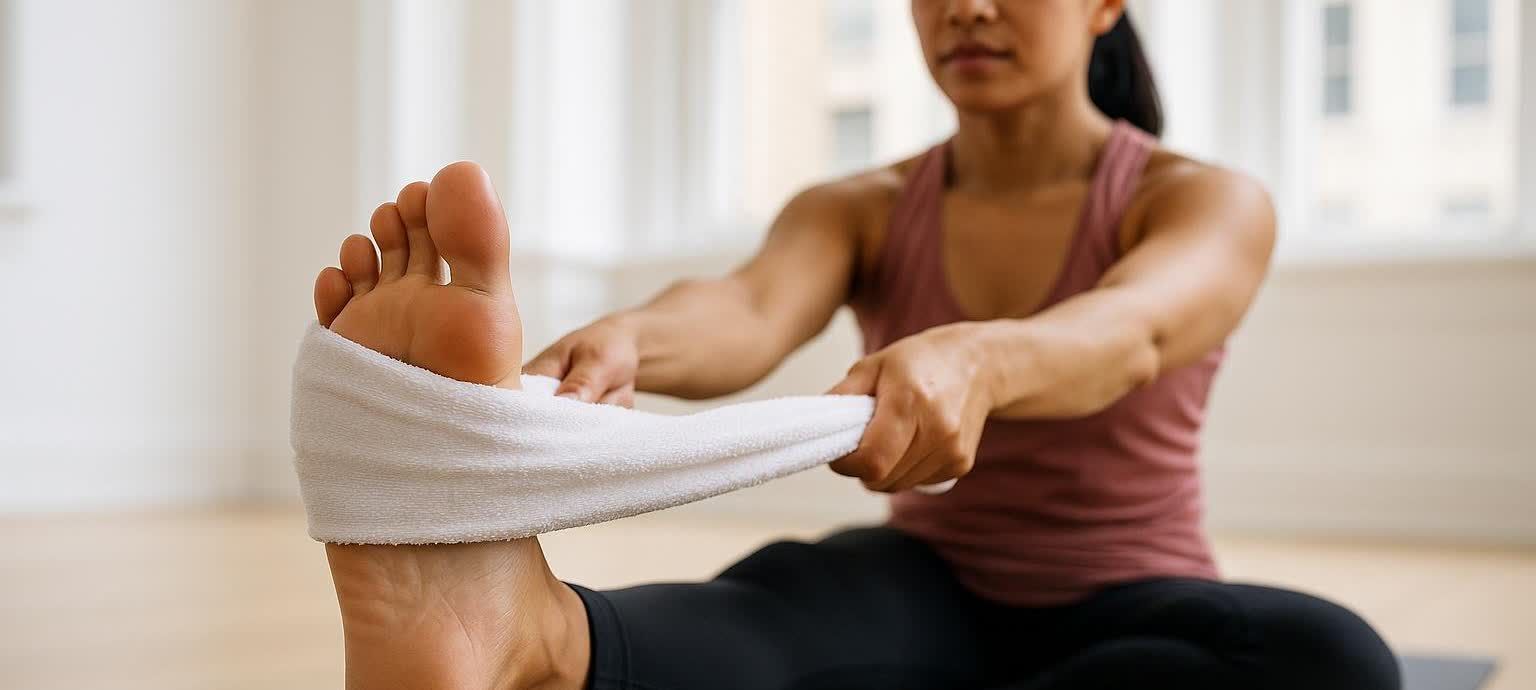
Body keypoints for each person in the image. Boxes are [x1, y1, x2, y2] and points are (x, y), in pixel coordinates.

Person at [309, 1, 1401, 688]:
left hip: (1131, 601)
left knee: (1332, 662)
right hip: (921, 581)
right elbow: (746, 309)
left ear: (1108, 4)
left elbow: (1132, 331)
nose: (967, 11)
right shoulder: (863, 206)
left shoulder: (1205, 202)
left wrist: (978, 359)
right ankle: (517, 633)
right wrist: (627, 341)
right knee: (775, 613)